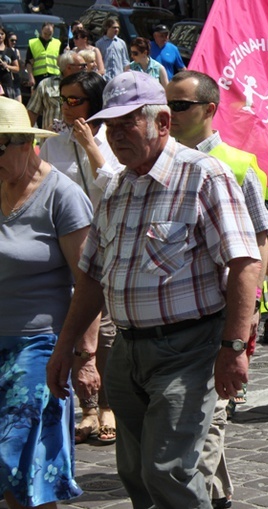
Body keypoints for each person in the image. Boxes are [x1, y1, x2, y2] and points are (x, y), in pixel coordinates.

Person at [45, 71, 261, 508]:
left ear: (161, 122)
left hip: (188, 348)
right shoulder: (118, 187)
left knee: (169, 470)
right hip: (127, 351)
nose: (116, 134)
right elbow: (90, 277)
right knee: (135, 472)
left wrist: (235, 345)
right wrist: (66, 346)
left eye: (128, 123)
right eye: (110, 125)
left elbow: (245, 262)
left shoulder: (204, 175)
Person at [166, 69, 268, 509]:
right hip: (178, 307)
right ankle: (219, 491)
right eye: (166, 105)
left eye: (179, 106)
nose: (169, 114)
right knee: (206, 407)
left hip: (224, 309)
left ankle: (205, 497)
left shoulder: (238, 163)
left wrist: (246, 317)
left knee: (212, 409)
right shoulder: (165, 158)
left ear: (209, 110)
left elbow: (261, 242)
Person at [0, 96, 98, 508]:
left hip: (40, 345)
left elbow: (89, 280)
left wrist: (85, 354)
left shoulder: (62, 194)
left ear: (27, 144)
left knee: (22, 460)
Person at [38, 71, 122, 444]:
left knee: (104, 330)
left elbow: (115, 187)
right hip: (68, 244)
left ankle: (108, 404)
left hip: (109, 242)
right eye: (64, 101)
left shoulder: (114, 137)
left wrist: (91, 145)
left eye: (76, 101)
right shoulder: (54, 145)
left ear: (95, 103)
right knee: (71, 322)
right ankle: (86, 408)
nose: (68, 108)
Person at [27, 51, 87, 132]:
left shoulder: (86, 85)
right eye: (82, 66)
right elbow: (32, 113)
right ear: (69, 67)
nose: (86, 68)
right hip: (51, 140)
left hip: (78, 139)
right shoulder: (46, 84)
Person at [24, 22, 64, 90]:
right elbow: (28, 63)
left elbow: (61, 61)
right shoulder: (33, 43)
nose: (47, 35)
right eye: (45, 33)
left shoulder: (58, 43)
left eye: (50, 34)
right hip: (38, 76)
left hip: (54, 75)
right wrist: (31, 77)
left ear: (53, 32)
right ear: (41, 30)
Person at [0, 26, 20, 100]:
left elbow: (17, 68)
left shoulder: (10, 51)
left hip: (7, 84)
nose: (0, 36)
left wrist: (7, 66)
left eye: (2, 34)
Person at [6, 32, 22, 102]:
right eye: (12, 40)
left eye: (16, 41)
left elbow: (19, 65)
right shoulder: (5, 51)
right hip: (7, 80)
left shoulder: (16, 51)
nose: (14, 42)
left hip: (16, 79)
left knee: (19, 102)